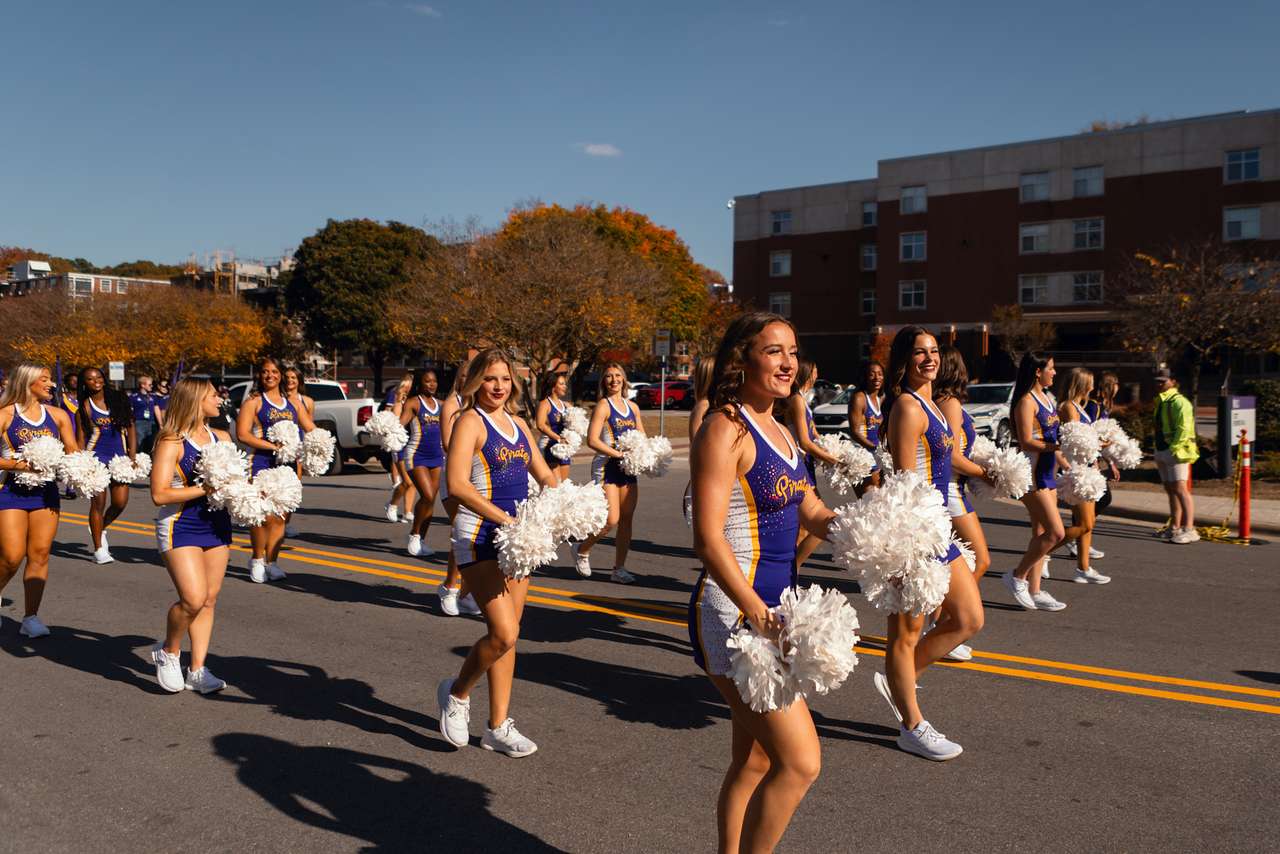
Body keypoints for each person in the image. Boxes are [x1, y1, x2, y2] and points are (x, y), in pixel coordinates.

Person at [688, 311, 835, 850]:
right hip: (734, 616)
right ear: (742, 359)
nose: (788, 363)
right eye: (774, 351)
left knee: (752, 760)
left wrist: (857, 530)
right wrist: (754, 611)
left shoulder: (782, 427)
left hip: (777, 609)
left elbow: (809, 506)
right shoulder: (725, 428)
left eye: (792, 352)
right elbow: (707, 539)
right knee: (800, 764)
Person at [869, 328, 984, 761]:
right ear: (905, 359)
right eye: (919, 352)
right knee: (906, 632)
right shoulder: (906, 406)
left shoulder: (932, 404)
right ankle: (911, 725)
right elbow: (901, 479)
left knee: (968, 618)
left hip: (938, 526)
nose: (929, 358)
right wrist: (905, 545)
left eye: (934, 351)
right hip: (915, 530)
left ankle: (900, 678)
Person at [436, 348, 557, 757]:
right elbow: (457, 485)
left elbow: (543, 475)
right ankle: (456, 693)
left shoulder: (520, 423)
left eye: (505, 379)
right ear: (475, 382)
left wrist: (570, 507)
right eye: (490, 379)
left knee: (509, 637)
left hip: (517, 539)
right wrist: (506, 521)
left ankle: (497, 727)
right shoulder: (469, 421)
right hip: (479, 535)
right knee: (503, 632)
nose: (499, 387)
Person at [149, 378, 234, 694]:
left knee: (209, 600)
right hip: (181, 525)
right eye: (214, 394)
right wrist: (206, 488)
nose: (219, 399)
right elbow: (159, 494)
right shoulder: (172, 441)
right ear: (196, 398)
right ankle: (169, 651)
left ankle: (197, 669)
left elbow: (234, 480)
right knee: (193, 598)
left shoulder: (222, 437)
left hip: (217, 525)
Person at [0, 364, 79, 638]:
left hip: (46, 492)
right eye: (44, 379)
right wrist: (19, 465)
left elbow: (73, 452)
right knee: (11, 556)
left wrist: (82, 471)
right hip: (10, 491)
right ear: (28, 382)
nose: (51, 384)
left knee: (40, 553)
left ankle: (30, 617)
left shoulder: (58, 416)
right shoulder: (5, 415)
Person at [930, 346, 993, 661]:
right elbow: (953, 457)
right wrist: (987, 472)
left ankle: (941, 623)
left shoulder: (939, 402)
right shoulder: (950, 403)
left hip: (954, 489)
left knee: (959, 561)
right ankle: (944, 627)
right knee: (980, 560)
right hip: (951, 490)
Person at [235, 357, 316, 584]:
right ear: (259, 376)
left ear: (281, 375)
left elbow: (310, 428)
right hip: (260, 463)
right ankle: (257, 559)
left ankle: (272, 561)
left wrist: (319, 444)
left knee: (280, 517)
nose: (270, 375)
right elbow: (243, 434)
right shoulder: (254, 402)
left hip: (286, 465)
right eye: (264, 372)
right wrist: (273, 446)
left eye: (274, 371)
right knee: (261, 516)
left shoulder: (294, 404)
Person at [1001, 352, 1068, 612]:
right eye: (1050, 368)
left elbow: (1052, 434)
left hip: (1048, 472)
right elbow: (1027, 440)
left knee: (1040, 534)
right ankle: (1017, 575)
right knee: (1056, 533)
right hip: (1032, 475)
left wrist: (1066, 461)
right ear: (1037, 371)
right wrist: (1058, 445)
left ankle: (1035, 589)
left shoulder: (1047, 398)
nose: (1054, 372)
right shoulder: (1026, 402)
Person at [573, 363, 644, 584]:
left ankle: (618, 569)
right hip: (607, 466)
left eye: (618, 376)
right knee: (610, 519)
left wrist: (643, 452)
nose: (614, 380)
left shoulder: (633, 407)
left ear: (624, 379)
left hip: (627, 466)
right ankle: (582, 549)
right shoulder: (603, 406)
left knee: (626, 519)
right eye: (609, 376)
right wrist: (617, 453)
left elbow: (641, 434)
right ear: (604, 381)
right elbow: (592, 440)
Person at [783, 359, 840, 572]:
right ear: (807, 372)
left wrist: (835, 450)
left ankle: (791, 570)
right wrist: (831, 460)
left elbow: (815, 435)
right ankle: (790, 571)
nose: (817, 374)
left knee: (808, 527)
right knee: (812, 524)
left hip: (807, 464)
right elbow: (805, 442)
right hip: (799, 465)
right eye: (815, 370)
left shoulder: (804, 401)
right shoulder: (796, 400)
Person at [1056, 368, 1111, 583]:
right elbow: (1073, 441)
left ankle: (1083, 568)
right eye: (1090, 382)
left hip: (1087, 468)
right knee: (1084, 524)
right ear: (1081, 384)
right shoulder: (1069, 407)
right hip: (1077, 470)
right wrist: (1098, 443)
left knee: (1087, 523)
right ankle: (1042, 552)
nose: (1093, 386)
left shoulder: (1079, 406)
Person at [77, 366, 136, 564]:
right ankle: (99, 549)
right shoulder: (84, 407)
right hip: (96, 457)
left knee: (120, 503)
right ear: (84, 383)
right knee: (98, 503)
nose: (96, 381)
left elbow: (131, 428)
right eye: (90, 379)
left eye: (99, 377)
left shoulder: (119, 399)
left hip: (119, 457)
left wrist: (133, 456)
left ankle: (99, 527)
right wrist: (80, 462)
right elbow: (81, 438)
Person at [437, 362, 480, 617]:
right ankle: (449, 587)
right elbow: (446, 442)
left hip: (479, 476)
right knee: (461, 531)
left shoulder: (479, 405)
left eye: (473, 376)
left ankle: (467, 592)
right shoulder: (452, 405)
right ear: (458, 379)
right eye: (464, 376)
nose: (468, 380)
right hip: (455, 475)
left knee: (474, 536)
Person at [399, 368, 445, 559]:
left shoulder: (441, 405)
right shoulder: (413, 403)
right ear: (420, 383)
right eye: (427, 381)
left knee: (430, 500)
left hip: (437, 456)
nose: (432, 384)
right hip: (416, 455)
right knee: (426, 495)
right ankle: (414, 536)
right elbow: (399, 425)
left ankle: (421, 540)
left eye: (434, 381)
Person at [1153, 368, 1199, 544]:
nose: (1159, 384)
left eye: (1162, 381)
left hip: (1176, 451)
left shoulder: (1180, 402)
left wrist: (1173, 448)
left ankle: (1190, 529)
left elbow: (1184, 428)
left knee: (1180, 489)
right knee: (1171, 489)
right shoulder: (1162, 401)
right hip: (1162, 449)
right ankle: (1175, 527)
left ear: (1173, 381)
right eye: (1157, 381)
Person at [1086, 371, 1121, 517]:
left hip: (1096, 458)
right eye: (1116, 384)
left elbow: (1103, 438)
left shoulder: (1105, 407)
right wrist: (1094, 460)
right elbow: (1090, 434)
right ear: (1110, 386)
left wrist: (1111, 463)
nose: (1118, 387)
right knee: (1101, 498)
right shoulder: (1094, 406)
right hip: (1088, 459)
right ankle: (1079, 528)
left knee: (1097, 498)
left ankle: (1083, 528)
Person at [384, 373, 418, 524]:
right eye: (406, 387)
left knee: (414, 482)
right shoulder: (399, 403)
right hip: (401, 444)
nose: (408, 390)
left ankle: (408, 512)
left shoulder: (417, 402)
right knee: (408, 481)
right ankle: (392, 504)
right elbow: (397, 423)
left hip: (416, 444)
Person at [848, 360, 885, 496]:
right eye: (872, 374)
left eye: (880, 374)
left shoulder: (882, 398)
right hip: (863, 456)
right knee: (870, 500)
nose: (877, 378)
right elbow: (854, 432)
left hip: (878, 453)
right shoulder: (859, 398)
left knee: (879, 499)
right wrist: (875, 449)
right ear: (865, 377)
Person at [534, 371, 572, 485]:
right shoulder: (545, 403)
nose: (565, 386)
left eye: (565, 383)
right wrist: (558, 438)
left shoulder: (566, 405)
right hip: (549, 445)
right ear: (553, 386)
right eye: (561, 384)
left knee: (564, 485)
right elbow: (540, 425)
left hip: (564, 447)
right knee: (555, 485)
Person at [130, 375, 160, 453]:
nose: (152, 386)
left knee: (152, 444)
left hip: (152, 422)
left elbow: (156, 409)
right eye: (149, 385)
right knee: (140, 444)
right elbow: (130, 411)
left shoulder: (153, 396)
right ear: (142, 385)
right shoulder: (134, 397)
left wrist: (160, 424)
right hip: (139, 423)